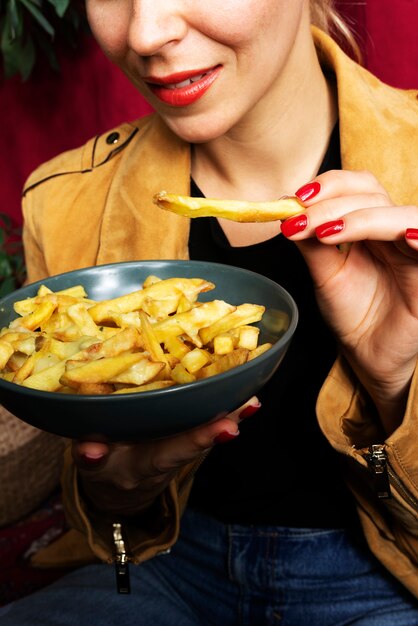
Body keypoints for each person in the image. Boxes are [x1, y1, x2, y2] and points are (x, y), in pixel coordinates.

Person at [1, 0, 418, 623]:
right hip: (160, 571)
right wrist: (120, 488)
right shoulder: (65, 200)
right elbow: (110, 527)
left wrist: (395, 385)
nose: (145, 33)